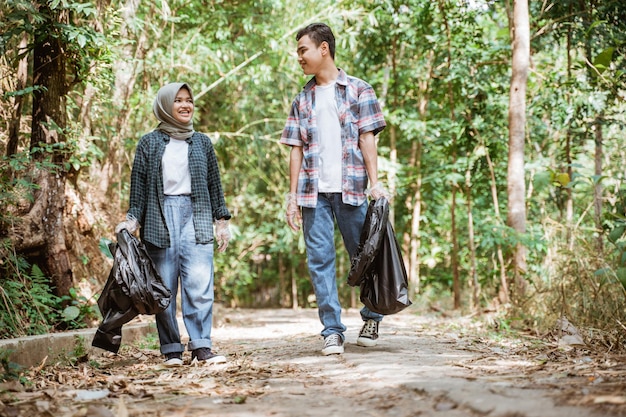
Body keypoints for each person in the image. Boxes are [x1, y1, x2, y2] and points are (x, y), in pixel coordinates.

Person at [280, 23, 389, 355]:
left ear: (323, 48)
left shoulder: (359, 90)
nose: (298, 57)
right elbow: (295, 149)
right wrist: (292, 197)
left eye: (303, 50)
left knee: (366, 257)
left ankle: (372, 317)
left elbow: (366, 138)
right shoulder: (302, 99)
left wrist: (376, 183)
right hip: (314, 195)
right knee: (319, 261)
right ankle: (332, 330)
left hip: (352, 190)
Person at [115, 82, 232, 366]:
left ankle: (202, 346)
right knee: (164, 287)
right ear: (166, 105)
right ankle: (170, 349)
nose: (184, 105)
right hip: (159, 214)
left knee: (200, 284)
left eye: (188, 100)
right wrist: (132, 220)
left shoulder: (202, 142)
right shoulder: (149, 143)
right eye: (178, 100)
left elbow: (214, 184)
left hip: (197, 214)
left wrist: (222, 221)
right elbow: (139, 187)